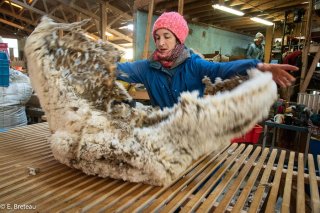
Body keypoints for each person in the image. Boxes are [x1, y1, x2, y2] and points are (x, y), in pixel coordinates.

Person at [117, 12, 298, 109]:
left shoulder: (194, 65)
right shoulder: (147, 68)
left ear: (179, 38)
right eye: (157, 37)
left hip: (193, 132)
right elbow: (118, 69)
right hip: (161, 130)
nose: (161, 42)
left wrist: (257, 65)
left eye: (167, 36)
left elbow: (220, 70)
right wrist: (93, 63)